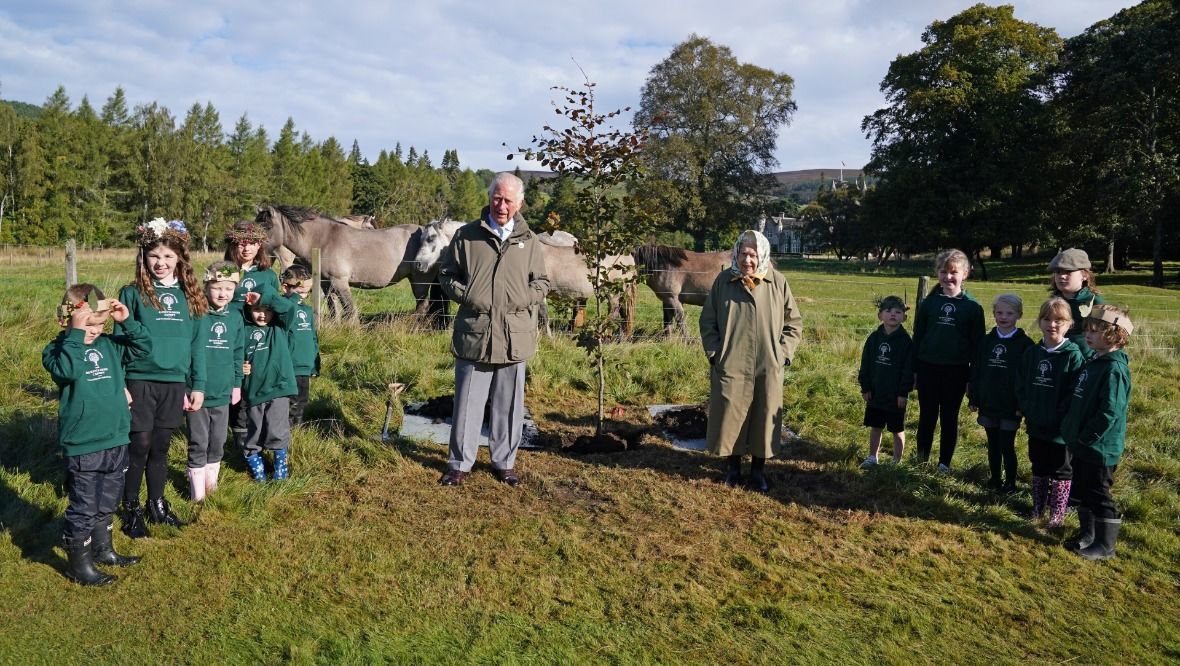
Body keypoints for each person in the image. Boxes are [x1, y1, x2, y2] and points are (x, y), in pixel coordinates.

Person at [436, 172, 550, 487]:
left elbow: (542, 282)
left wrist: (522, 298)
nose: (501, 205)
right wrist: (469, 296)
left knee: (509, 405)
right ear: (489, 198)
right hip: (476, 331)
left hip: (515, 335)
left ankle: (504, 463)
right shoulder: (467, 236)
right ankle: (459, 464)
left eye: (508, 200)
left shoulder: (530, 241)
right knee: (467, 402)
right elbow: (447, 275)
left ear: (519, 203)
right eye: (497, 198)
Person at [43, 285, 152, 585]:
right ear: (66, 321)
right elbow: (67, 371)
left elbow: (144, 348)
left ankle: (104, 550)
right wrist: (76, 335)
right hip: (84, 443)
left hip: (116, 437)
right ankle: (79, 565)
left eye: (100, 325)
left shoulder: (109, 345)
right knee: (84, 505)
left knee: (107, 500)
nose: (95, 332)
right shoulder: (57, 351)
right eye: (89, 326)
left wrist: (126, 321)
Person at [117, 218, 207, 537]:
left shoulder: (191, 296)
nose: (161, 262)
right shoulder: (131, 294)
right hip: (139, 380)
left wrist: (198, 385)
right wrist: (120, 386)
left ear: (179, 259)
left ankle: (157, 503)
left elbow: (198, 345)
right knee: (138, 444)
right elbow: (119, 341)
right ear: (144, 257)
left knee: (160, 445)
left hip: (174, 382)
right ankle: (131, 508)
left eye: (168, 256)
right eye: (155, 255)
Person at [700, 229, 803, 492]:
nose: (748, 260)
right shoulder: (724, 281)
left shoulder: (777, 282)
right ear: (736, 253)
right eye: (744, 254)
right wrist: (714, 352)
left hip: (767, 363)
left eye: (754, 255)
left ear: (763, 256)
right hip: (731, 362)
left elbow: (794, 323)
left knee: (764, 415)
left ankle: (758, 471)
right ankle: (733, 469)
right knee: (730, 415)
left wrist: (783, 354)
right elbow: (708, 321)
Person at [1062, 305, 1133, 560]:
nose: (1088, 335)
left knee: (1098, 492)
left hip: (1099, 447)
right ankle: (1088, 536)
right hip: (1082, 443)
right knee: (1082, 489)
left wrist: (1086, 438)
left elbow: (1109, 412)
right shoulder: (1095, 361)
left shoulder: (1114, 370)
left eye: (1095, 331)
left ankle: (1105, 546)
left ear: (1115, 335)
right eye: (1087, 330)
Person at [911, 249, 985, 472]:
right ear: (937, 274)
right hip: (928, 368)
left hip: (957, 371)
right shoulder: (929, 304)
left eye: (954, 272)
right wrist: (914, 369)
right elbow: (918, 336)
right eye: (943, 272)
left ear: (965, 274)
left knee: (949, 417)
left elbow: (978, 347)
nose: (948, 277)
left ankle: (944, 463)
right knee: (926, 415)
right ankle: (921, 461)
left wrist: (973, 378)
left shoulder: (972, 307)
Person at [1015, 298, 1085, 525]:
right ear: (1040, 321)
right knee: (1038, 465)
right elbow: (1021, 384)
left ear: (1069, 324)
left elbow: (1074, 392)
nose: (1052, 324)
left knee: (1061, 469)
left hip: (1061, 429)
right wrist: (1027, 408)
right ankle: (1037, 508)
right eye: (1047, 319)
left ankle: (1057, 515)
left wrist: (1060, 417)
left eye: (1059, 320)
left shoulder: (1073, 356)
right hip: (1036, 424)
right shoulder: (1032, 353)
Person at [185, 261, 245, 501]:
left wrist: (237, 383)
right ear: (206, 285)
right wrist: (184, 385)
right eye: (217, 287)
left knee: (218, 441)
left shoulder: (235, 317)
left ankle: (212, 485)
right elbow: (186, 353)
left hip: (223, 389)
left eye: (229, 289)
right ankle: (197, 494)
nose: (223, 294)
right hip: (197, 391)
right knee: (199, 440)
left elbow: (238, 351)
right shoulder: (195, 314)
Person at [223, 219, 280, 455]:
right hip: (228, 338)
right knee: (234, 385)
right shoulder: (224, 270)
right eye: (241, 243)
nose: (246, 249)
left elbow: (275, 310)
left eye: (252, 243)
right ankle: (237, 436)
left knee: (255, 386)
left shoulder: (267, 275)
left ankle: (261, 438)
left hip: (256, 339)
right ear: (233, 245)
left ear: (260, 246)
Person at [968, 294, 1034, 493]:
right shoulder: (986, 342)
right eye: (999, 312)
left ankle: (1011, 483)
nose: (1004, 317)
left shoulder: (1025, 345)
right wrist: (974, 397)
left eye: (1009, 313)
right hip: (989, 402)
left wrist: (1021, 405)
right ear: (994, 314)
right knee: (993, 445)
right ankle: (995, 480)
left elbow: (1027, 379)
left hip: (1010, 406)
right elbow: (977, 371)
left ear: (1019, 315)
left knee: (1007, 445)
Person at [240, 287, 299, 481]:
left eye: (267, 310)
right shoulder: (243, 330)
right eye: (257, 309)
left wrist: (264, 297)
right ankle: (256, 465)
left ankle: (280, 465)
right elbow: (235, 355)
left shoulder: (280, 326)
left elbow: (289, 308)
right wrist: (240, 367)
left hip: (279, 388)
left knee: (277, 428)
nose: (262, 315)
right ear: (249, 310)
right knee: (255, 430)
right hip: (254, 390)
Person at [857, 295, 912, 467]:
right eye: (888, 311)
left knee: (897, 429)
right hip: (875, 392)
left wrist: (903, 393)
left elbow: (908, 370)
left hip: (896, 395)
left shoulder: (906, 342)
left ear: (904, 316)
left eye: (898, 311)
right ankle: (873, 457)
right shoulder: (874, 338)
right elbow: (865, 364)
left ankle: (896, 461)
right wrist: (865, 387)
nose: (893, 315)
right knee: (876, 426)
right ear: (880, 315)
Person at [281, 264, 320, 428]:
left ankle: (297, 431)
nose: (303, 296)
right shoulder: (283, 308)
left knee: (302, 401)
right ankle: (285, 434)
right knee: (290, 402)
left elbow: (312, 337)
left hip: (305, 366)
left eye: (306, 292)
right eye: (299, 291)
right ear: (285, 288)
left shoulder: (307, 310)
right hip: (290, 366)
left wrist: (315, 363)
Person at [1048, 248, 1104, 356]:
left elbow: (1106, 336)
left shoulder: (1095, 302)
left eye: (1068, 272)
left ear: (1085, 275)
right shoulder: (1053, 302)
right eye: (1058, 272)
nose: (1062, 276)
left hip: (1086, 359)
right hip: (1057, 356)